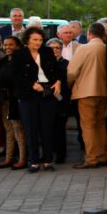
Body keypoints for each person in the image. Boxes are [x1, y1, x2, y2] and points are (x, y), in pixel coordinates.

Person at [13, 26, 62, 172]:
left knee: (47, 127)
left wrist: (58, 82)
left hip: (48, 93)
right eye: (35, 40)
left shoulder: (47, 52)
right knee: (31, 128)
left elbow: (57, 70)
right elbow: (14, 76)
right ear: (27, 40)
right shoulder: (19, 54)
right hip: (28, 95)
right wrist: (31, 84)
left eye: (40, 40)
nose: (38, 42)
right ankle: (33, 161)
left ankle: (47, 161)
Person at [0, 36, 26, 169]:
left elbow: (13, 79)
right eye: (5, 45)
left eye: (10, 45)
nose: (7, 47)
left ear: (18, 46)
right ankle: (9, 158)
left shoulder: (21, 61)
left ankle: (23, 159)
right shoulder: (2, 61)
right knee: (8, 130)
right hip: (4, 100)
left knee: (18, 129)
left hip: (15, 99)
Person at [46, 37, 72, 165]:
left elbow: (69, 83)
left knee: (60, 129)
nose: (55, 50)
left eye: (58, 48)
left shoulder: (66, 64)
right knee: (47, 129)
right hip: (46, 101)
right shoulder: (43, 64)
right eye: (52, 48)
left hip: (62, 101)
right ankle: (48, 155)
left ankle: (60, 155)